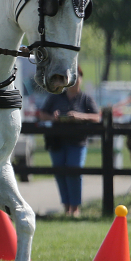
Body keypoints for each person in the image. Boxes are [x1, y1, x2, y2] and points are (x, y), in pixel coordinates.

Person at [38, 67, 101, 217]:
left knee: (74, 171)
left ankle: (75, 207)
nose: (74, 81)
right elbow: (42, 114)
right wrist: (54, 118)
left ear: (81, 79)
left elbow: (97, 117)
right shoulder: (55, 97)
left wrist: (80, 117)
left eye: (77, 76)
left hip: (77, 142)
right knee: (60, 173)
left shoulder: (86, 98)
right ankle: (66, 207)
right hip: (57, 142)